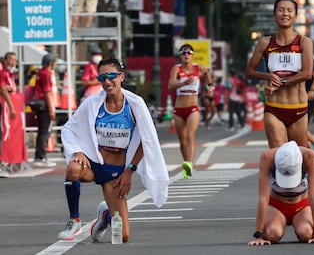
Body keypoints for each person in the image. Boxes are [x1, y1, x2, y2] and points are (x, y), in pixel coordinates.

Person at [58, 58, 169, 242]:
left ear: (121, 77)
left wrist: (129, 171)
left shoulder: (134, 105)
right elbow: (69, 128)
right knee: (73, 168)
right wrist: (77, 151)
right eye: (102, 77)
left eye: (111, 76)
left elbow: (146, 140)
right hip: (94, 165)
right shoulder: (93, 103)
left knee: (123, 236)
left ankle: (105, 215)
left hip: (116, 173)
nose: (107, 82)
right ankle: (74, 220)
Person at [245, 0, 313, 148]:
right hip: (274, 108)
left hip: (298, 108)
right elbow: (249, 72)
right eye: (281, 10)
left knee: (300, 157)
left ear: (295, 15)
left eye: (290, 10)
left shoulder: (304, 42)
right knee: (279, 155)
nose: (285, 14)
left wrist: (281, 82)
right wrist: (267, 76)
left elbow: (307, 74)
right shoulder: (264, 43)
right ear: (274, 15)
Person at [247, 141, 314, 245]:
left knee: (306, 233)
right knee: (273, 234)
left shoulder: (310, 156)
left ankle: (306, 228)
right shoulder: (267, 157)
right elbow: (263, 198)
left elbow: (313, 196)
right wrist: (259, 235)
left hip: (301, 205)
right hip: (276, 206)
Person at [168, 44, 213, 179]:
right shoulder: (177, 69)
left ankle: (189, 163)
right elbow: (170, 85)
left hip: (193, 107)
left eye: (188, 53)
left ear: (192, 55)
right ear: (180, 56)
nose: (186, 55)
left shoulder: (198, 68)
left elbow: (207, 75)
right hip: (179, 109)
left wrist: (210, 88)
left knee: (190, 136)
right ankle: (186, 161)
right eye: (183, 53)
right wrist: (184, 83)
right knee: (182, 141)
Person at [32, 53, 57, 168]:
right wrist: (51, 109)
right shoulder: (46, 74)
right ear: (51, 63)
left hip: (38, 104)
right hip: (44, 105)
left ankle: (38, 155)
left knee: (41, 131)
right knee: (44, 131)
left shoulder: (40, 72)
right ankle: (42, 156)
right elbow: (47, 92)